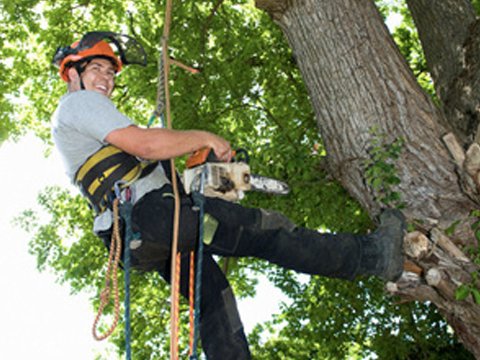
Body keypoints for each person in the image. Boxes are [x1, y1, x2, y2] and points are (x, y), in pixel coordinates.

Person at [51, 32, 406, 360]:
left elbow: (166, 178)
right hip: (158, 219)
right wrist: (207, 138)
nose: (106, 79)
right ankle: (374, 256)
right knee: (270, 233)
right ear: (72, 74)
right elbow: (148, 144)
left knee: (215, 303)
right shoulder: (79, 105)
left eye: (111, 73)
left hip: (151, 236)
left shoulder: (94, 125)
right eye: (96, 68)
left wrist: (227, 180)